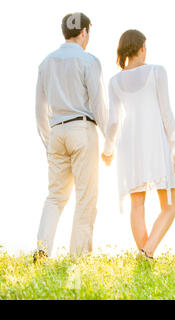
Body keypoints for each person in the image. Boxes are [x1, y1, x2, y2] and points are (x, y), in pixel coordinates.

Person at [102, 29, 175, 259]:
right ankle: (147, 253)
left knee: (137, 205)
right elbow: (166, 112)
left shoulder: (114, 81)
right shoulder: (157, 72)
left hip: (129, 145)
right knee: (170, 206)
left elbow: (114, 121)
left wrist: (107, 150)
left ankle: (145, 256)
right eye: (145, 47)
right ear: (140, 49)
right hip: (155, 142)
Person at [34, 12, 108, 261]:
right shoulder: (89, 61)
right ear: (85, 32)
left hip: (56, 132)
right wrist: (109, 138)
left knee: (55, 196)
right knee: (86, 197)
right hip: (82, 130)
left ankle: (42, 250)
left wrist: (48, 142)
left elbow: (39, 110)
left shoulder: (46, 63)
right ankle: (77, 260)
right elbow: (98, 106)